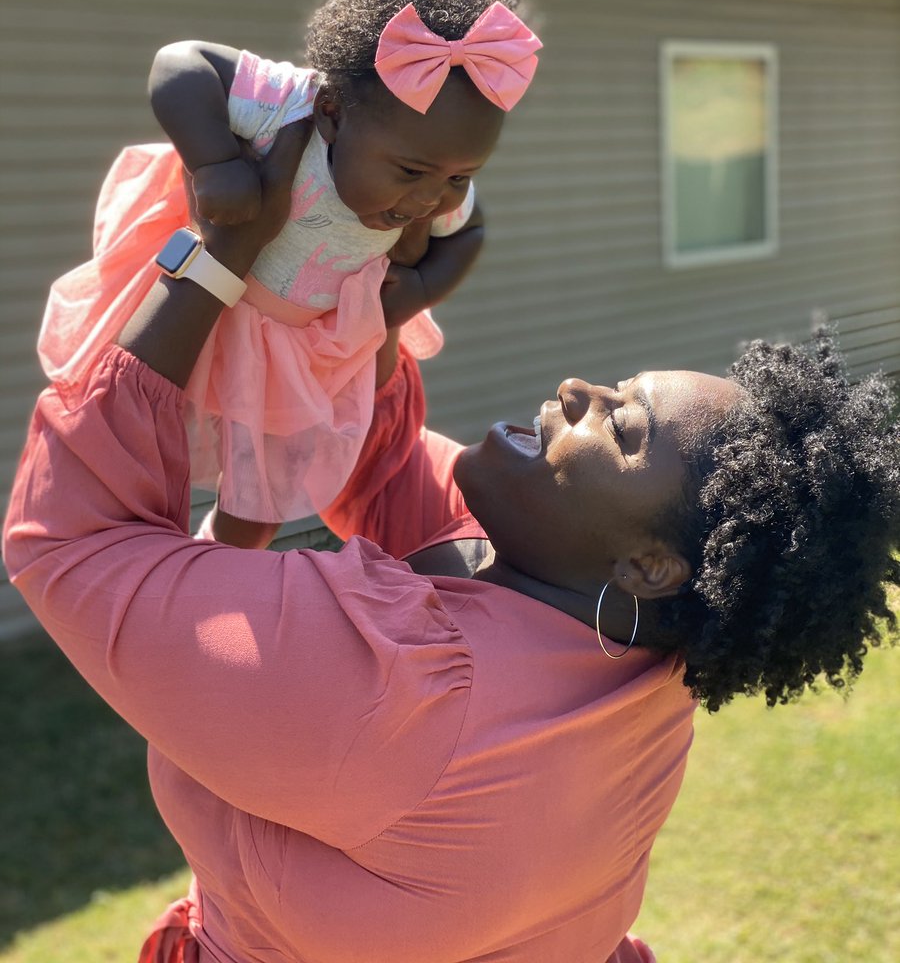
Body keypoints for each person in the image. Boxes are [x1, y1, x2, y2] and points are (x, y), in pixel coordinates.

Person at [5, 128, 898, 963]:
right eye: (616, 386)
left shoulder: (401, 688)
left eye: (622, 426)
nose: (579, 387)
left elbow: (75, 541)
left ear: (651, 565)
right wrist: (377, 300)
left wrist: (213, 260)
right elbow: (382, 466)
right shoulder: (636, 642)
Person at [36, 0, 542, 547]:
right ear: (332, 111)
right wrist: (215, 163)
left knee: (263, 490)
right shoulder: (287, 106)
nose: (430, 200)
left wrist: (418, 292)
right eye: (409, 172)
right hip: (210, 312)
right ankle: (141, 555)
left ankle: (223, 559)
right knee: (149, 428)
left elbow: (473, 228)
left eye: (460, 174)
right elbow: (179, 64)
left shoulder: (437, 178)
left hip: (303, 352)